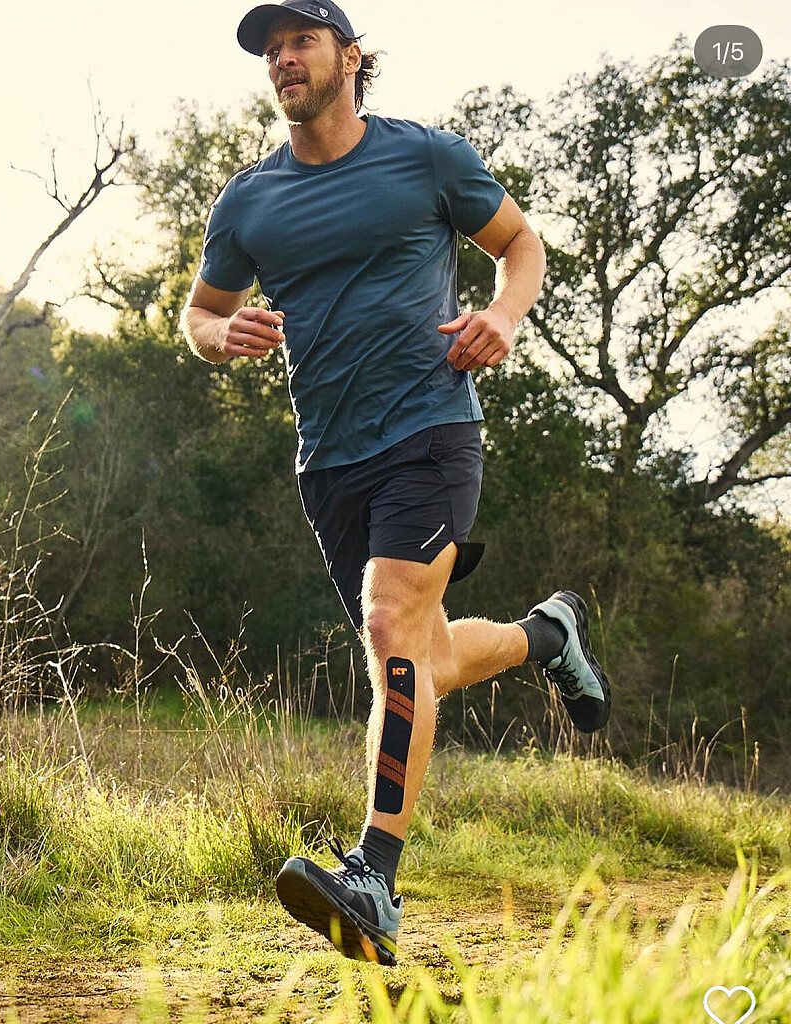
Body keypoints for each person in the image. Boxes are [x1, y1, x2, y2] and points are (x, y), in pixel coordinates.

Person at [181, 0, 611, 967]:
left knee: (389, 627)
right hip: (328, 459)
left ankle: (374, 877)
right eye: (271, 50)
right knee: (419, 658)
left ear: (350, 57)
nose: (283, 60)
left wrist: (503, 316)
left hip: (431, 429)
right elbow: (200, 314)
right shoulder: (249, 201)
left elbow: (522, 246)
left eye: (301, 41)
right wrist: (220, 333)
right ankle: (550, 634)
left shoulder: (426, 157)